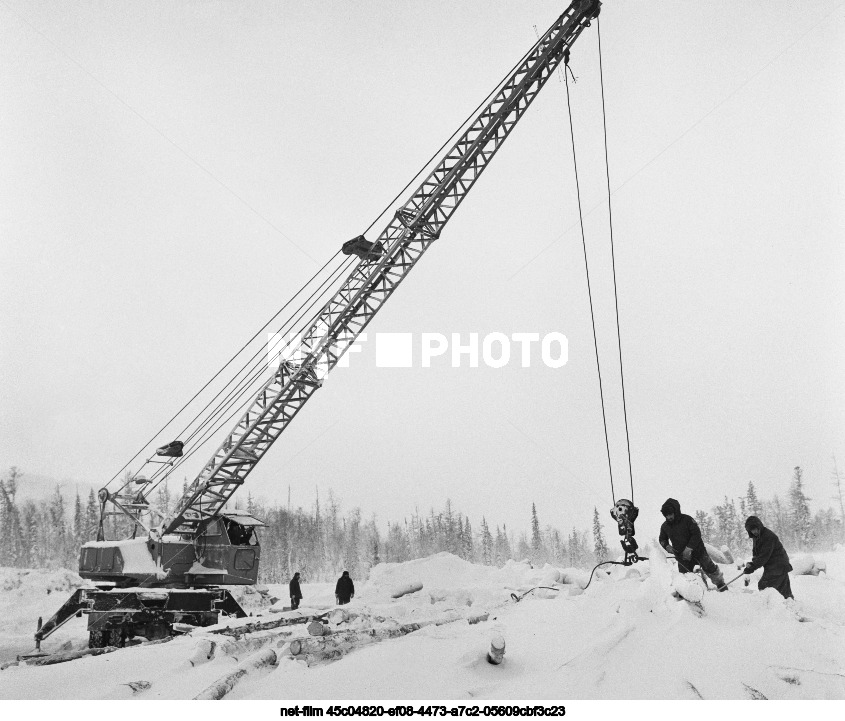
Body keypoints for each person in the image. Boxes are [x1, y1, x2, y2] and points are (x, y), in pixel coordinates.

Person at [659, 498, 727, 591]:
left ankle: (721, 586)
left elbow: (696, 534)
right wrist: (667, 546)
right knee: (687, 577)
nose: (669, 517)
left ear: (675, 511)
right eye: (666, 515)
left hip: (698, 551)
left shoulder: (687, 520)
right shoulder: (665, 526)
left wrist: (689, 548)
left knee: (710, 568)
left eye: (670, 514)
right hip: (681, 556)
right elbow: (662, 539)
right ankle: (695, 592)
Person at [743, 516, 794, 599]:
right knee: (785, 592)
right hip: (774, 566)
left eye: (755, 528)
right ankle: (789, 607)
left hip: (778, 565)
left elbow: (764, 556)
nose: (754, 531)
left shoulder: (768, 536)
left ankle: (770, 608)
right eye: (751, 530)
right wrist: (751, 564)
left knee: (764, 586)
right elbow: (756, 554)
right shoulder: (756, 537)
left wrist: (753, 566)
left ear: (759, 526)